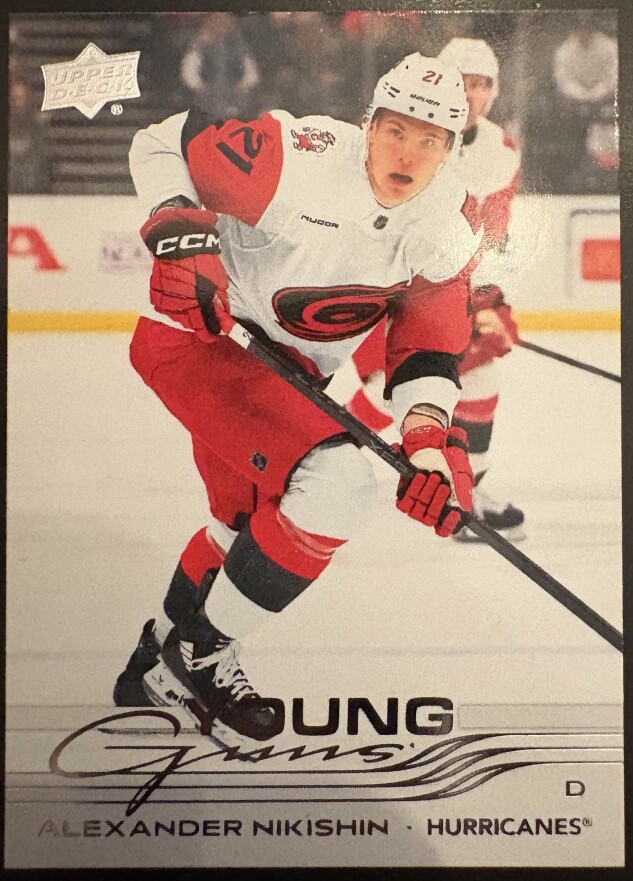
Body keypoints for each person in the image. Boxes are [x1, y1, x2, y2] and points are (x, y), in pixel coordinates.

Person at [114, 52, 481, 748]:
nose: (407, 153)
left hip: (288, 374)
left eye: (429, 140)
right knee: (339, 484)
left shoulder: (447, 223)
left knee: (242, 524)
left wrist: (428, 440)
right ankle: (200, 654)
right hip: (201, 338)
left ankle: (152, 662)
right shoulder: (297, 157)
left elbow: (426, 345)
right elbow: (162, 139)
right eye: (396, 131)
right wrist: (177, 232)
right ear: (367, 125)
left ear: (450, 150)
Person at [347, 37, 524, 542]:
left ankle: (472, 493)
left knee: (482, 377)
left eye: (483, 84)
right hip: (390, 285)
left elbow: (493, 234)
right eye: (463, 82)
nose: (472, 94)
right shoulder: (403, 135)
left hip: (451, 290)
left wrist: (486, 301)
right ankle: (316, 456)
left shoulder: (500, 150)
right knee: (389, 390)